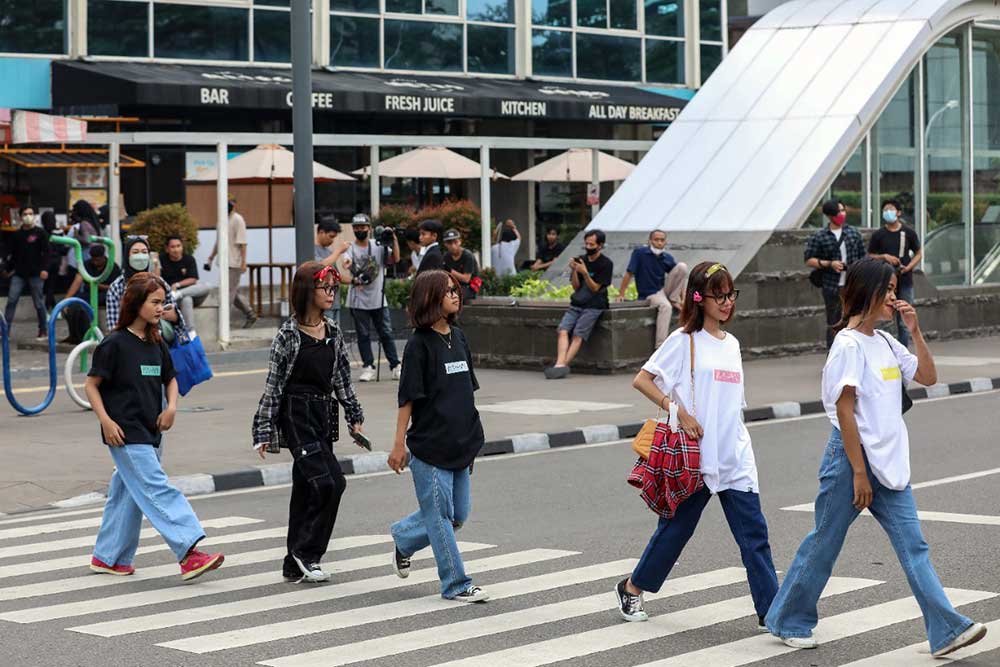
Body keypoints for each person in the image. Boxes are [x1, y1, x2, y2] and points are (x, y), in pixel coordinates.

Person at [764, 257, 987, 657]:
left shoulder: (886, 342)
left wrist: (916, 332)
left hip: (889, 463)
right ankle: (788, 618)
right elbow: (845, 411)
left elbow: (928, 377)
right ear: (866, 293)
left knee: (914, 546)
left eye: (894, 290)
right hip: (852, 460)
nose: (893, 298)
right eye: (886, 290)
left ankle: (946, 630)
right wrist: (858, 473)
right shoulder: (848, 346)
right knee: (825, 543)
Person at [616, 261, 778, 627]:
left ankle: (772, 613)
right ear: (699, 298)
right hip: (695, 460)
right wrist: (678, 411)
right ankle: (632, 587)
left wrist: (739, 447)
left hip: (734, 457)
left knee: (755, 538)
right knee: (675, 532)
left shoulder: (732, 344)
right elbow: (643, 380)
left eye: (730, 294)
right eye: (718, 295)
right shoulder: (683, 341)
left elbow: (733, 404)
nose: (726, 302)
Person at [85, 273, 224, 581]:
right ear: (137, 303)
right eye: (155, 302)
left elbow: (170, 378)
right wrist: (106, 421)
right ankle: (189, 552)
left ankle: (108, 557)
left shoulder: (155, 341)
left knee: (128, 493)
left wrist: (171, 407)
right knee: (156, 488)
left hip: (153, 432)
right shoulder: (114, 344)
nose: (162, 308)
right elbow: (91, 385)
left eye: (164, 302)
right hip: (124, 433)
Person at [251, 261, 366, 582]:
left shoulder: (334, 332)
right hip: (295, 415)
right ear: (306, 291)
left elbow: (343, 378)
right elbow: (272, 387)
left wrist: (354, 418)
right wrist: (262, 430)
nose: (331, 294)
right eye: (325, 288)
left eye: (334, 288)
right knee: (329, 482)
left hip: (321, 414)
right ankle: (308, 553)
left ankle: (292, 562)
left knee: (305, 488)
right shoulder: (287, 336)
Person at [388, 270, 489, 603]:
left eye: (455, 290)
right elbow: (408, 398)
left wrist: (473, 439)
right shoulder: (418, 345)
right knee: (440, 518)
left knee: (457, 515)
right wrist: (398, 443)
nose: (455, 295)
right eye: (447, 291)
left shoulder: (458, 337)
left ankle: (404, 538)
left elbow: (466, 391)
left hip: (461, 442)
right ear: (430, 297)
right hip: (430, 448)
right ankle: (456, 583)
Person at [544, 229, 613, 379]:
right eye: (586, 244)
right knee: (562, 330)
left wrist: (586, 273)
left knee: (578, 334)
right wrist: (575, 271)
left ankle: (562, 366)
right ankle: (560, 365)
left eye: (592, 244)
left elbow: (595, 288)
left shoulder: (606, 264)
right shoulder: (582, 259)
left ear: (600, 245)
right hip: (578, 302)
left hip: (594, 305)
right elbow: (576, 286)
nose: (588, 247)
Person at [345, 213, 402, 382]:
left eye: (363, 227)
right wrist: (348, 267)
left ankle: (395, 365)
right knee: (363, 334)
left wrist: (393, 239)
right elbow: (346, 262)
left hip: (378, 297)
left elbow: (395, 259)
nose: (360, 230)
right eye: (356, 228)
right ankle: (368, 366)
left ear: (369, 228)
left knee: (386, 333)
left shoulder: (378, 245)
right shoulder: (350, 248)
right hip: (358, 299)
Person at [805, 199, 866, 349]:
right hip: (831, 286)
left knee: (855, 319)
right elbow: (808, 259)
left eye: (843, 210)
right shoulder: (820, 236)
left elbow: (863, 257)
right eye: (838, 211)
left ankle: (854, 353)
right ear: (829, 215)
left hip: (852, 284)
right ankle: (833, 355)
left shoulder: (853, 233)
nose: (842, 214)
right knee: (833, 322)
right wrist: (829, 264)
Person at [617, 230, 690, 347]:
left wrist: (684, 299)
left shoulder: (666, 257)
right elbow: (629, 273)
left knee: (682, 267)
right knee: (666, 307)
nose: (659, 243)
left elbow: (680, 278)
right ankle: (660, 347)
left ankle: (673, 299)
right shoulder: (639, 253)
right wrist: (621, 294)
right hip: (649, 294)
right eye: (656, 240)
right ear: (650, 241)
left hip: (663, 291)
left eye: (662, 240)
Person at [868, 199, 923, 348]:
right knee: (884, 320)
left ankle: (902, 352)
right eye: (885, 210)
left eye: (891, 209)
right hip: (885, 282)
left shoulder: (908, 232)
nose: (887, 212)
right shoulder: (878, 235)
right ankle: (885, 350)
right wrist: (884, 257)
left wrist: (909, 267)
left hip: (905, 281)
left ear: (898, 212)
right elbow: (870, 255)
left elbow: (918, 253)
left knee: (904, 319)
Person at [107, 237, 185, 338]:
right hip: (128, 344)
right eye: (135, 252)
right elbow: (113, 326)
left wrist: (175, 317)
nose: (140, 256)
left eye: (144, 252)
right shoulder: (117, 287)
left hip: (158, 341)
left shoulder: (160, 283)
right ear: (127, 256)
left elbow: (179, 324)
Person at [207, 200, 257, 329]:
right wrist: (211, 258)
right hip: (224, 263)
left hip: (234, 263)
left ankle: (223, 323)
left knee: (227, 293)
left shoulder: (238, 220)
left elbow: (243, 243)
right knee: (232, 293)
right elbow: (218, 242)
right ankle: (250, 314)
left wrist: (244, 262)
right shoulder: (221, 221)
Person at [2, 206, 50, 339]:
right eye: (25, 214)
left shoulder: (40, 233)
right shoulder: (17, 235)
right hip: (19, 274)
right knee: (11, 300)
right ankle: (5, 330)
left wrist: (45, 269)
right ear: (21, 216)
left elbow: (47, 253)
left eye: (30, 213)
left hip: (36, 274)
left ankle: (43, 330)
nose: (28, 216)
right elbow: (12, 254)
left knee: (39, 303)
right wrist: (7, 269)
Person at [63, 244, 121, 344]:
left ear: (103, 257)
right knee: (73, 305)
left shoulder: (113, 267)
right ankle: (74, 335)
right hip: (88, 293)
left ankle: (87, 335)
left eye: (98, 260)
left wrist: (97, 285)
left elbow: (116, 286)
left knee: (85, 307)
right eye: (93, 260)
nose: (95, 262)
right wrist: (67, 299)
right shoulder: (87, 264)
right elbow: (77, 281)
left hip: (106, 294)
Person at [160, 235, 210, 334]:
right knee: (186, 300)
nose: (176, 249)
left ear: (182, 247)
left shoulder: (189, 259)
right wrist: (156, 263)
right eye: (173, 247)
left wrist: (178, 285)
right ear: (167, 249)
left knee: (207, 286)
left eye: (178, 246)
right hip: (173, 300)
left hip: (190, 294)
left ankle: (179, 294)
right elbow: (156, 278)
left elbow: (193, 279)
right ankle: (191, 332)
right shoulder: (162, 259)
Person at [314, 218, 350, 325]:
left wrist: (355, 281)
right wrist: (339, 250)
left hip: (334, 303)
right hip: (322, 304)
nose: (332, 241)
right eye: (331, 237)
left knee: (335, 337)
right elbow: (320, 266)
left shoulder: (329, 252)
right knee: (325, 337)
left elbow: (337, 276)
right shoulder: (312, 249)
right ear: (321, 232)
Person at [442, 229, 478, 302]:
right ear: (445, 244)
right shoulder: (446, 256)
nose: (453, 246)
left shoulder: (468, 256)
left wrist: (450, 271)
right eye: (449, 243)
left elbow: (466, 279)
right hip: (453, 285)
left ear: (460, 241)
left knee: (452, 296)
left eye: (455, 242)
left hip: (469, 287)